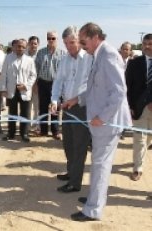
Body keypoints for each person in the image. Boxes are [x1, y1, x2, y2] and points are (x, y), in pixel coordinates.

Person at [67, 22, 132, 221]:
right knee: (98, 163)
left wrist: (102, 117)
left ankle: (93, 209)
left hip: (106, 122)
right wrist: (77, 99)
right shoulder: (98, 55)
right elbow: (97, 88)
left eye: (83, 41)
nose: (82, 45)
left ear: (95, 37)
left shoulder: (109, 55)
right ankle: (95, 197)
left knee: (100, 165)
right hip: (99, 121)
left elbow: (119, 92)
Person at [51, 26, 92, 193]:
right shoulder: (65, 60)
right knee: (68, 142)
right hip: (66, 106)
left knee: (79, 145)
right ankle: (71, 172)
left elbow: (92, 86)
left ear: (79, 41)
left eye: (72, 42)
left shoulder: (89, 58)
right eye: (66, 43)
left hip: (82, 107)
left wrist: (77, 100)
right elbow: (58, 81)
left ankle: (75, 183)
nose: (69, 46)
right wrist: (54, 100)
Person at [0, 39, 37, 142]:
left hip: (24, 90)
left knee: (25, 113)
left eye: (23, 47)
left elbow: (33, 75)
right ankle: (11, 134)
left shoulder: (29, 60)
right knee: (12, 113)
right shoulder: (8, 58)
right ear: (15, 47)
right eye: (18, 46)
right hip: (11, 89)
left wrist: (26, 86)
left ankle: (24, 133)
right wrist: (3, 88)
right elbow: (3, 74)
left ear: (26, 48)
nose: (20, 49)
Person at [125, 34, 152, 181]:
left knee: (148, 138)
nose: (147, 46)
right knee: (139, 139)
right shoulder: (134, 63)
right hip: (139, 108)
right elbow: (128, 86)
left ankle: (139, 157)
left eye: (150, 44)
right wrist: (130, 106)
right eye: (145, 43)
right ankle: (138, 168)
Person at [35, 31, 65, 140]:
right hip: (43, 83)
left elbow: (64, 72)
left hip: (56, 84)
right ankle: (43, 130)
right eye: (49, 38)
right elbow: (36, 69)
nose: (51, 40)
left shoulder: (63, 54)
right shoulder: (41, 52)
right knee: (42, 107)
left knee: (55, 108)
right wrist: (35, 84)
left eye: (53, 38)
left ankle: (55, 131)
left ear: (57, 39)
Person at [26, 36, 40, 132]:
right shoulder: (24, 55)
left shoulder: (40, 55)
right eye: (31, 43)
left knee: (36, 107)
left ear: (38, 45)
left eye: (35, 44)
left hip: (37, 86)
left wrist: (36, 84)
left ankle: (36, 126)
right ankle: (26, 126)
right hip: (26, 85)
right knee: (26, 107)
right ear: (28, 44)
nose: (33, 45)